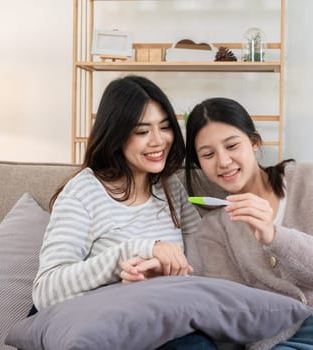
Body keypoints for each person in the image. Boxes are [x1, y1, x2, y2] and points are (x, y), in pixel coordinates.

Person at [122, 97, 313, 350]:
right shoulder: (213, 230)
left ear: (254, 143)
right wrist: (164, 279)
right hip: (287, 341)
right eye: (208, 154)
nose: (223, 161)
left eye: (232, 145)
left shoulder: (309, 180)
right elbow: (230, 313)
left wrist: (274, 235)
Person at [31, 75, 216, 350]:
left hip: (157, 315)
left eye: (164, 127)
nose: (158, 141)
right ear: (116, 135)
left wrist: (163, 272)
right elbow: (45, 291)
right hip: (96, 324)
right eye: (142, 132)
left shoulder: (168, 186)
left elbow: (202, 260)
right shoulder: (84, 191)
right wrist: (131, 254)